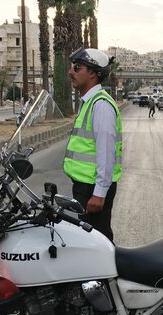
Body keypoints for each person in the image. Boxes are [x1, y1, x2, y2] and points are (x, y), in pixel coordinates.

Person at [63, 47, 121, 242]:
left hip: (92, 190)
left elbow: (106, 153)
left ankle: (110, 273)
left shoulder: (101, 105)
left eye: (77, 68)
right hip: (84, 186)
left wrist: (99, 193)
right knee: (89, 243)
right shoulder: (89, 101)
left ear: (93, 74)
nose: (71, 72)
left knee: (99, 243)